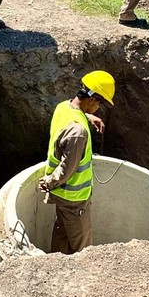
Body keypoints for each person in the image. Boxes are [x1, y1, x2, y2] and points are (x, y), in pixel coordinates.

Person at [37, 70, 113, 255]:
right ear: (93, 98)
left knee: (62, 234)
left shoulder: (63, 107)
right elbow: (67, 168)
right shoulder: (78, 132)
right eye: (100, 103)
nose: (99, 108)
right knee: (83, 250)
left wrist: (88, 116)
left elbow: (74, 114)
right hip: (74, 201)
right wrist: (48, 183)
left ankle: (57, 268)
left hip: (63, 198)